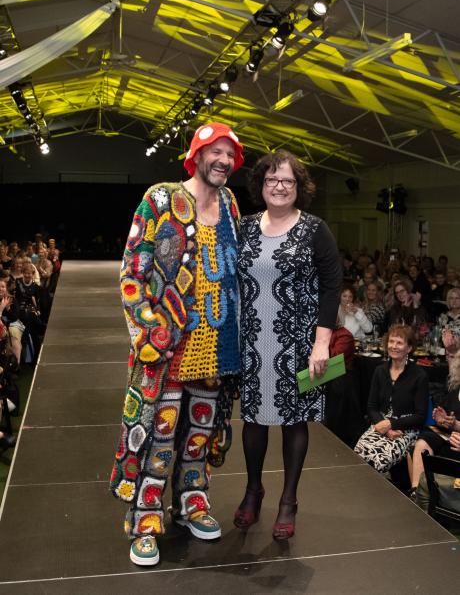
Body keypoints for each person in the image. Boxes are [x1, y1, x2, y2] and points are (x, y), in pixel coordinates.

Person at [110, 122, 243, 567]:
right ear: (197, 155)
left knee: (199, 438)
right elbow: (133, 272)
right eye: (216, 152)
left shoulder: (230, 204)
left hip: (215, 347)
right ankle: (146, 520)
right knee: (159, 437)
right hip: (169, 349)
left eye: (230, 155)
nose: (223, 160)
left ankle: (191, 503)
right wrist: (149, 329)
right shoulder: (161, 199)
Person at [234, 150, 341, 540]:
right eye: (271, 180)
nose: (279, 187)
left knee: (295, 422)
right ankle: (253, 490)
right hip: (252, 343)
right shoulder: (243, 227)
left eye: (287, 181)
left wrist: (322, 344)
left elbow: (332, 288)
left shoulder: (315, 229)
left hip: (300, 344)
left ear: (299, 188)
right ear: (260, 185)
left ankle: (288, 501)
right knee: (253, 420)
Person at [354, 324, 428, 474]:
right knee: (358, 454)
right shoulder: (380, 371)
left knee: (379, 459)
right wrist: (385, 427)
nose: (394, 346)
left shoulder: (419, 376)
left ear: (409, 348)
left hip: (406, 429)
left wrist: (391, 424)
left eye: (399, 343)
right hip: (381, 424)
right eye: (391, 341)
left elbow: (420, 416)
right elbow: (371, 407)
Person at [410, 324, 460, 499]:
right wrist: (443, 419)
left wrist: (454, 426)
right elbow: (452, 418)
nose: (449, 359)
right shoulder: (455, 385)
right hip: (452, 435)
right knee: (423, 441)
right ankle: (418, 494)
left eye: (452, 356)